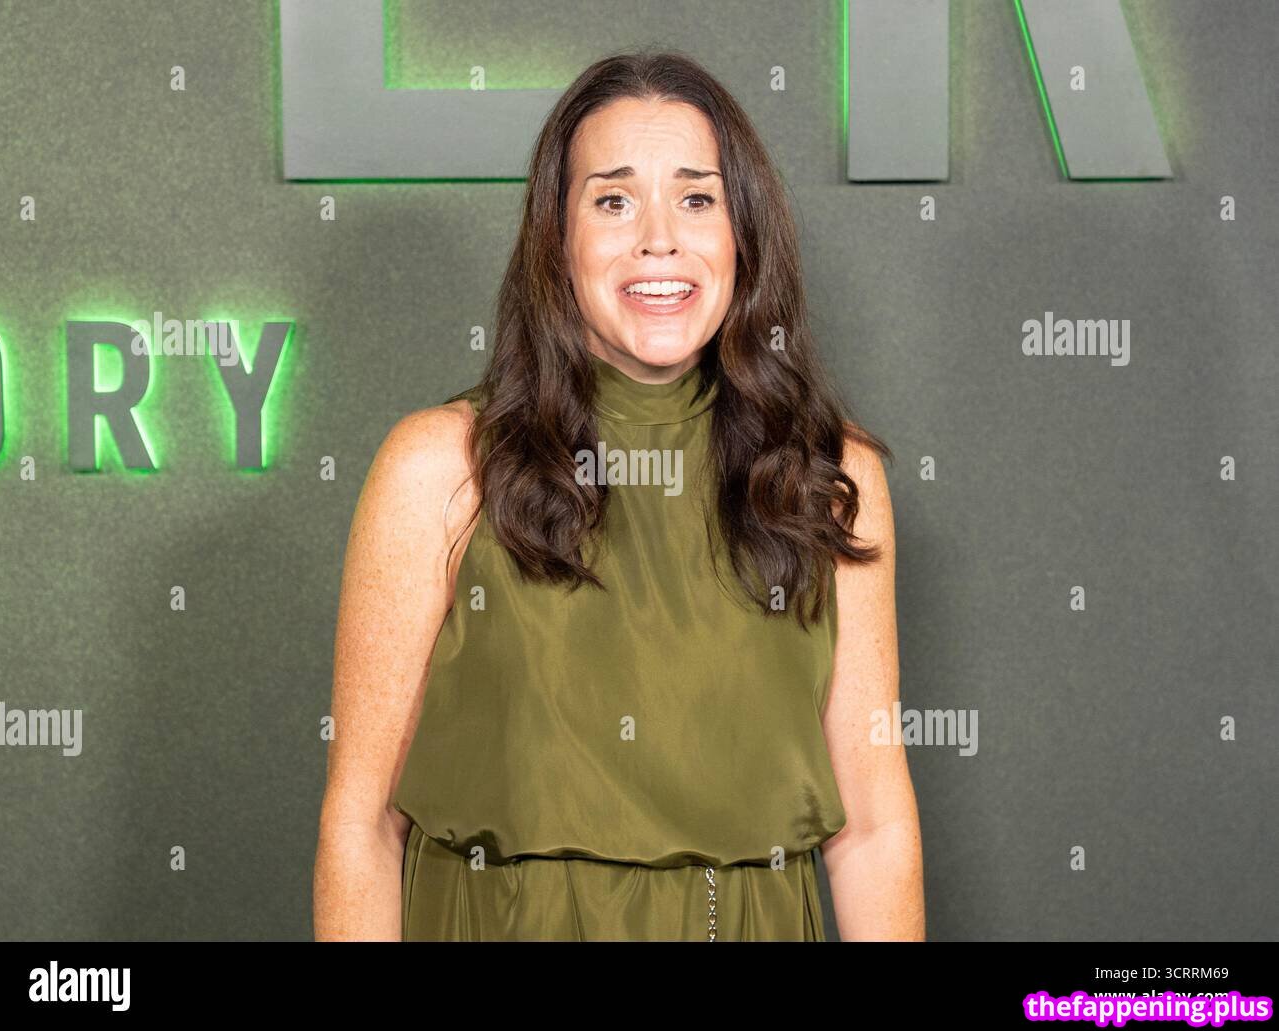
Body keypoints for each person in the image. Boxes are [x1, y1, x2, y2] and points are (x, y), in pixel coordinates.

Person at [314, 49, 924, 941]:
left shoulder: (831, 477)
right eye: (613, 201)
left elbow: (873, 832)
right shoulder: (440, 467)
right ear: (556, 242)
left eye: (697, 199)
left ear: (743, 235)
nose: (658, 239)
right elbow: (361, 826)